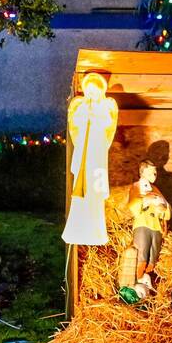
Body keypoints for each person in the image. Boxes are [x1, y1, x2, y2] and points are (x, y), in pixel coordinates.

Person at [61, 72, 117, 245]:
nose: (92, 95)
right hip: (84, 157)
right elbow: (75, 125)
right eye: (89, 91)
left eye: (95, 91)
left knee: (95, 194)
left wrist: (96, 116)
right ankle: (76, 230)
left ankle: (96, 233)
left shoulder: (105, 107)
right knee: (80, 194)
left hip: (97, 156)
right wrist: (86, 115)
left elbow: (108, 126)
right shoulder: (80, 106)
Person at [126, 159, 170, 296]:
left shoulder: (156, 190)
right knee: (142, 253)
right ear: (143, 171)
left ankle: (146, 280)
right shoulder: (136, 187)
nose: (155, 175)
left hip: (156, 226)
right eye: (152, 172)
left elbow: (166, 209)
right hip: (143, 224)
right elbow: (133, 205)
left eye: (156, 173)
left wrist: (164, 209)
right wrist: (147, 200)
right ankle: (136, 282)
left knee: (153, 256)